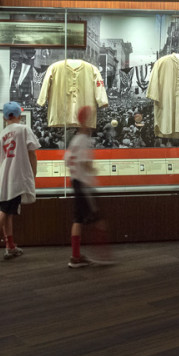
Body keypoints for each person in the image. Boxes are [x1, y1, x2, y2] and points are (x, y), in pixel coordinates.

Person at [0, 102, 39, 261]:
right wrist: (33, 173)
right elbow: (32, 153)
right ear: (19, 115)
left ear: (5, 117)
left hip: (6, 177)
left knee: (8, 211)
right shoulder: (24, 129)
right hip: (19, 177)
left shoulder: (2, 135)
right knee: (4, 210)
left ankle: (10, 246)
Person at [64, 105, 114, 267]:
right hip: (84, 185)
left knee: (78, 219)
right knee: (98, 219)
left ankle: (76, 256)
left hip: (76, 182)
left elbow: (67, 161)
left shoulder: (75, 140)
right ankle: (102, 255)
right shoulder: (84, 140)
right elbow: (86, 163)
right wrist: (93, 172)